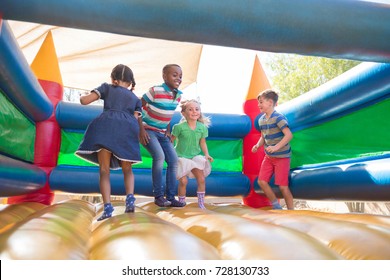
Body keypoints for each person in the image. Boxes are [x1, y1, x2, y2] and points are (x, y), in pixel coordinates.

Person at [76, 64, 142, 221]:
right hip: (127, 129)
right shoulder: (135, 99)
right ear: (131, 82)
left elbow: (85, 101)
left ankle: (107, 207)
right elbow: (136, 117)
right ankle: (130, 199)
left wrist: (82, 95)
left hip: (105, 128)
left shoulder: (107, 88)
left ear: (113, 79)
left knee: (104, 170)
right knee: (127, 168)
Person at [138, 64, 186, 207]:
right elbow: (137, 107)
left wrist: (168, 130)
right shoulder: (155, 91)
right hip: (148, 130)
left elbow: (167, 114)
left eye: (180, 76)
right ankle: (158, 196)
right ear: (164, 76)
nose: (178, 78)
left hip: (162, 132)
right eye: (174, 75)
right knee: (159, 157)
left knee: (173, 160)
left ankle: (170, 197)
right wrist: (141, 130)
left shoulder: (178, 95)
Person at [251, 89, 294, 210]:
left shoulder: (278, 118)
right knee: (261, 182)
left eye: (261, 102)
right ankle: (276, 204)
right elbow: (263, 136)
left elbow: (289, 135)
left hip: (282, 157)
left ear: (270, 102)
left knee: (283, 187)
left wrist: (276, 147)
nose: (258, 105)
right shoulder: (261, 120)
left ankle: (291, 211)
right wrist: (257, 145)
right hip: (269, 157)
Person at [171, 99, 213, 209]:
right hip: (181, 156)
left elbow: (202, 142)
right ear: (183, 113)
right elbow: (171, 141)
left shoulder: (202, 127)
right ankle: (181, 202)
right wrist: (169, 155)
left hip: (194, 157)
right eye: (190, 109)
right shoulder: (178, 127)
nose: (194, 111)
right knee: (184, 181)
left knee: (201, 179)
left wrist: (207, 154)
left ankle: (201, 203)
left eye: (197, 109)